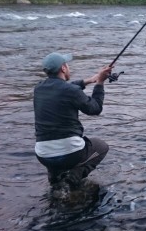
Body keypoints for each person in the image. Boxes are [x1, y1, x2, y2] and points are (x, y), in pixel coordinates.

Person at [33, 52, 113, 190]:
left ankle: (55, 181)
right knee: (101, 147)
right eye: (67, 65)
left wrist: (89, 80)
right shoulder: (70, 91)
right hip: (70, 154)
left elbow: (64, 87)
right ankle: (74, 176)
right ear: (63, 68)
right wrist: (99, 83)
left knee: (54, 156)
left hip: (43, 155)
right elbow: (95, 109)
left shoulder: (38, 88)